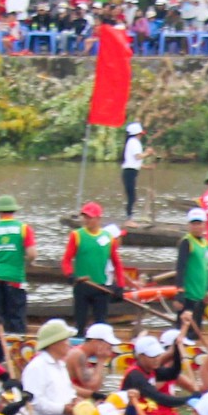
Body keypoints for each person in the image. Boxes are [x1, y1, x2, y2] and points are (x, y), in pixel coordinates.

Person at [62, 204, 127, 333]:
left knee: (101, 325)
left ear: (98, 219)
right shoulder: (76, 235)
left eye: (90, 217)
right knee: (80, 324)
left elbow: (117, 264)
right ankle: (80, 338)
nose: (86, 220)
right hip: (82, 285)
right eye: (84, 217)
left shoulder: (108, 238)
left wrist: (120, 285)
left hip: (101, 287)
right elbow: (66, 260)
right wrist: (69, 275)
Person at [0, 194, 35, 338]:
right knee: (16, 315)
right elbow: (32, 254)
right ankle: (17, 346)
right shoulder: (24, 228)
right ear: (14, 211)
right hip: (14, 277)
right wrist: (25, 263)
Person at [120, 122, 146, 217]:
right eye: (140, 134)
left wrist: (147, 167)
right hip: (129, 172)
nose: (141, 136)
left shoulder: (132, 142)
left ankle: (129, 217)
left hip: (131, 172)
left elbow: (135, 162)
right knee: (132, 197)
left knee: (132, 196)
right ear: (137, 134)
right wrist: (148, 153)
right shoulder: (133, 142)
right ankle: (129, 219)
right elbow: (138, 157)